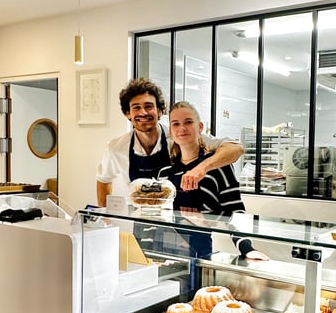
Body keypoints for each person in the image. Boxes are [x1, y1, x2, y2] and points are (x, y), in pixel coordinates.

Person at [96, 78, 244, 206]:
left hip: (176, 220)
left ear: (160, 111)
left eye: (148, 106)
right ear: (128, 113)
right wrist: (104, 215)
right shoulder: (116, 148)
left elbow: (235, 148)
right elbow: (103, 180)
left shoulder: (178, 134)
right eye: (136, 108)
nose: (143, 112)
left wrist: (201, 169)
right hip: (139, 222)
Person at [158, 100, 268, 261]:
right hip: (164, 252)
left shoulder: (217, 166)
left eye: (188, 122)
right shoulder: (165, 172)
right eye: (175, 124)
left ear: (200, 127)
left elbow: (235, 212)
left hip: (201, 254)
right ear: (171, 132)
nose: (182, 128)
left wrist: (246, 248)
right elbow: (156, 216)